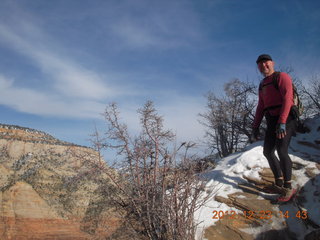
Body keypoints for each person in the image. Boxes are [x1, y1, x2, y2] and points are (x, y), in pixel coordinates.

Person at [251, 54, 297, 202]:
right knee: (268, 151)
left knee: (282, 150)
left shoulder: (282, 77)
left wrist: (282, 122)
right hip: (271, 119)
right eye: (260, 64)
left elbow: (287, 99)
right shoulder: (263, 84)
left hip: (286, 117)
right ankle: (278, 182)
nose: (263, 65)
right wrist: (255, 126)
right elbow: (261, 106)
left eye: (266, 62)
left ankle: (288, 187)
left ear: (272, 63)